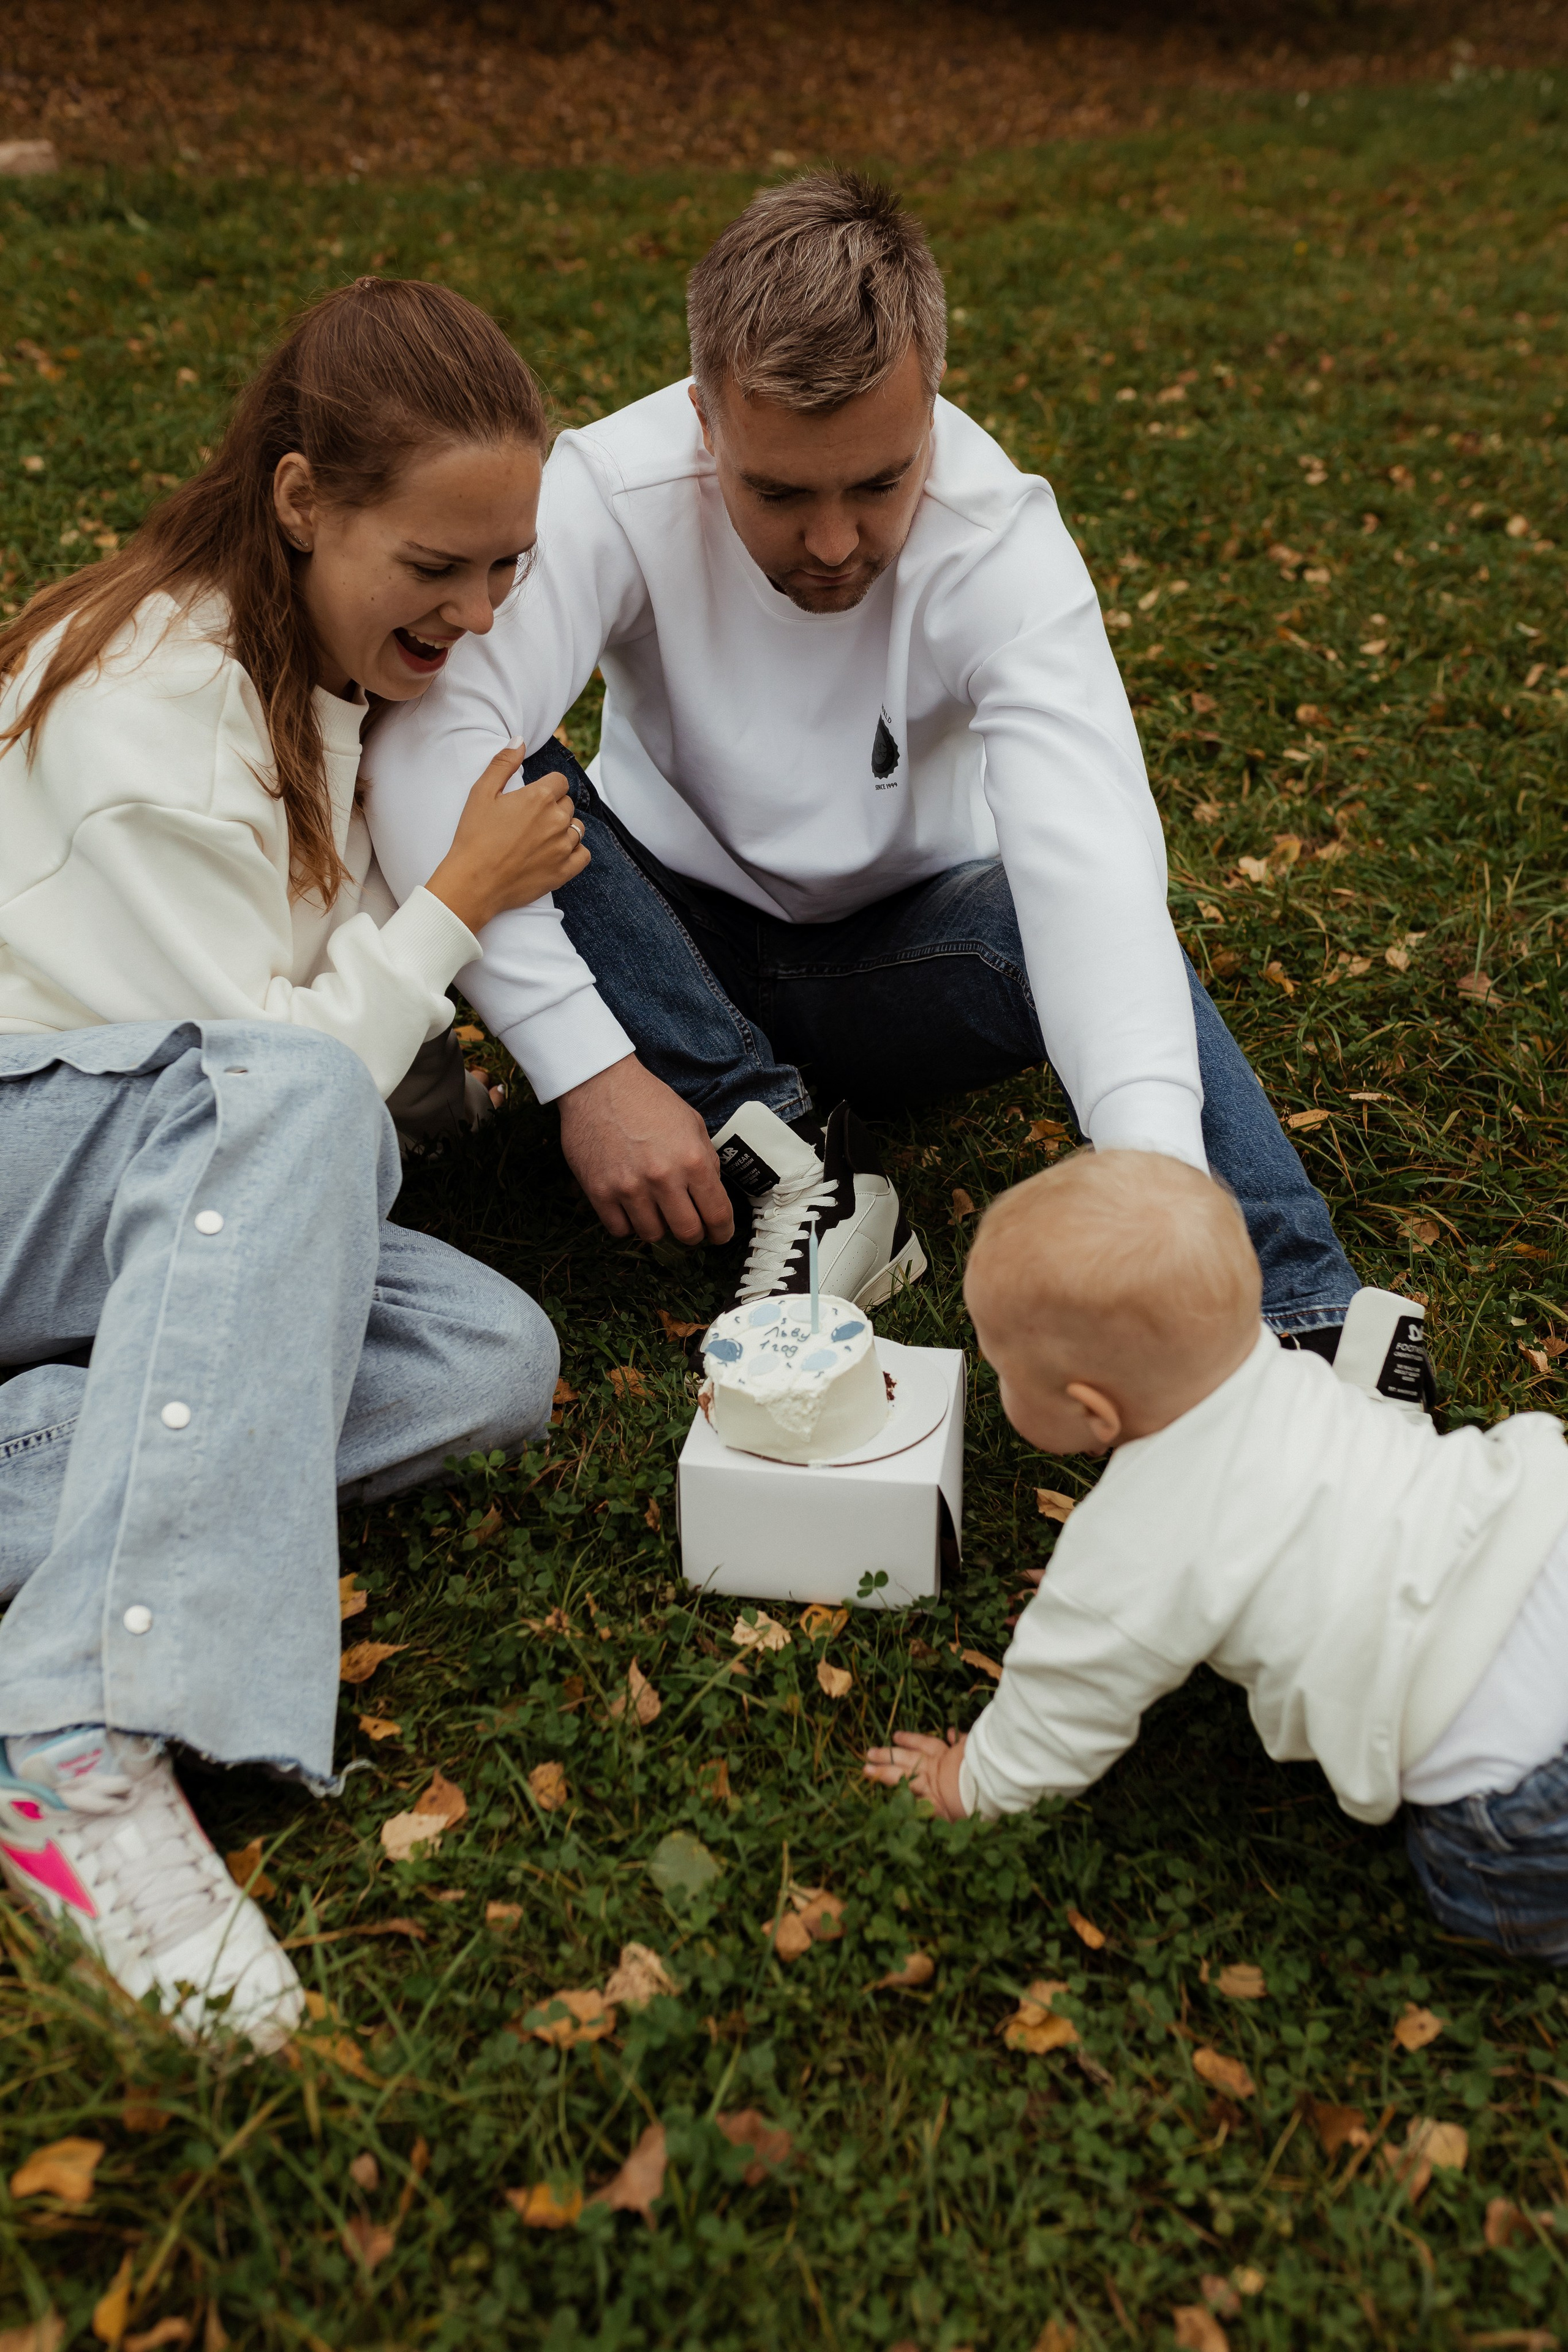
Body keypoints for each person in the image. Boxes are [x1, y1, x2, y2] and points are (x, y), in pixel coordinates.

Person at [364, 168, 1395, 1388]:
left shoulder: (998, 543)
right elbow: (431, 741)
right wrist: (582, 1064)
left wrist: (1154, 1192)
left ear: (931, 410)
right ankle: (800, 1173)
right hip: (659, 944)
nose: (836, 543)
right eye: (780, 492)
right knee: (478, 748)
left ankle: (1299, 1315)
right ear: (704, 420)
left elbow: (1090, 869)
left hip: (899, 965)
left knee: (1040, 909)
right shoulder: (613, 486)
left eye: (878, 482)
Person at [0, 277, 590, 2048]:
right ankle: (74, 1739)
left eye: (510, 569)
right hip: (36, 1145)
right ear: (301, 499)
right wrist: (453, 910)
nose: (478, 612)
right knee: (299, 1111)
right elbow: (259, 1108)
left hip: (120, 1196)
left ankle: (85, 1501)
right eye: (439, 566)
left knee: (493, 1357)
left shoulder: (317, 678)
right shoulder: (152, 711)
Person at [864, 1153, 1568, 1963]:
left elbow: (1062, 1702)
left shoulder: (1127, 1544)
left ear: (1092, 1410)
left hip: (1517, 1786)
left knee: (1485, 1893)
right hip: (1540, 1551)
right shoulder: (1299, 1377)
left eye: (1002, 1371)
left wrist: (966, 1781)